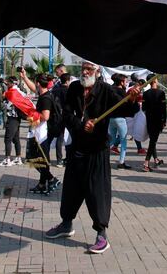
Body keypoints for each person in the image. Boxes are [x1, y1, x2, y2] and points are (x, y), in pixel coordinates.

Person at [45, 61, 142, 254]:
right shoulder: (74, 88)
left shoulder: (106, 90)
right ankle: (66, 224)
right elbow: (65, 113)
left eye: (88, 68)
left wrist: (131, 98)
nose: (84, 71)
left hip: (97, 151)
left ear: (97, 71)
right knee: (71, 188)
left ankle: (101, 234)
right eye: (82, 68)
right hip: (77, 148)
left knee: (97, 191)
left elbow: (125, 110)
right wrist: (81, 124)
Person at [29, 73, 61, 195]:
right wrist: (24, 77)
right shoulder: (45, 94)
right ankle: (42, 184)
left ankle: (52, 179)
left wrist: (32, 114)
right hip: (44, 132)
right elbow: (33, 89)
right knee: (42, 157)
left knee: (38, 158)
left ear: (38, 83)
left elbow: (45, 116)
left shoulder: (45, 98)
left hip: (45, 133)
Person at [142, 74, 166, 172]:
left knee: (153, 139)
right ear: (154, 80)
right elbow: (164, 109)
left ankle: (156, 159)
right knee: (153, 141)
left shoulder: (146, 93)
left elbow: (143, 108)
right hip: (158, 119)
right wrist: (164, 120)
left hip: (149, 119)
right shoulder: (161, 93)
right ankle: (146, 162)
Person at [108, 73, 132, 170]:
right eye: (125, 81)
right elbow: (126, 105)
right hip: (120, 119)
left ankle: (104, 159)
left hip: (110, 118)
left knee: (112, 140)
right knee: (123, 140)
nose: (126, 83)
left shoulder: (109, 89)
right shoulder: (122, 92)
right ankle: (121, 162)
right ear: (121, 82)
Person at [0, 76, 24, 166]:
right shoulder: (19, 92)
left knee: (8, 139)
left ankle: (7, 159)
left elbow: (7, 106)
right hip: (17, 118)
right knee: (16, 138)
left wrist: (4, 98)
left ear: (12, 83)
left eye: (8, 83)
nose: (6, 84)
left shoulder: (12, 93)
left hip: (12, 118)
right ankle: (18, 158)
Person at [51, 73, 71, 166]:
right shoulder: (68, 91)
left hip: (56, 116)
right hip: (67, 116)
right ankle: (68, 158)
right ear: (67, 81)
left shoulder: (55, 90)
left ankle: (59, 159)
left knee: (60, 137)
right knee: (69, 137)